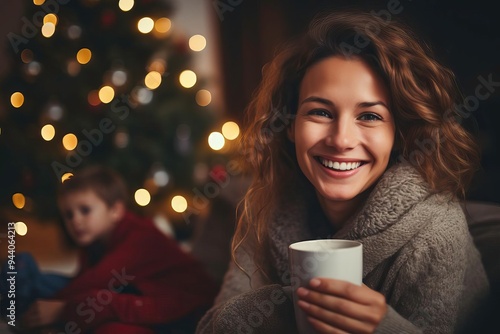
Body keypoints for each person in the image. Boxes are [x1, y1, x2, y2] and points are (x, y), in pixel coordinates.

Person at [196, 10, 489, 334]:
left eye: (370, 116)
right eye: (320, 112)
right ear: (290, 125)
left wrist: (384, 327)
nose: (341, 140)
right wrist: (295, 305)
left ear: (399, 134)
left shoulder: (436, 230)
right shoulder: (265, 207)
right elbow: (213, 327)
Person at [7, 166, 218, 333]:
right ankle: (16, 302)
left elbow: (94, 283)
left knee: (27, 274)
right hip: (134, 295)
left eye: (85, 210)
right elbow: (84, 282)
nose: (75, 221)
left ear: (115, 210)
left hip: (179, 307)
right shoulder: (94, 243)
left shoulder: (140, 237)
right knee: (34, 278)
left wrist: (57, 311)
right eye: (68, 215)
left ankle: (16, 304)